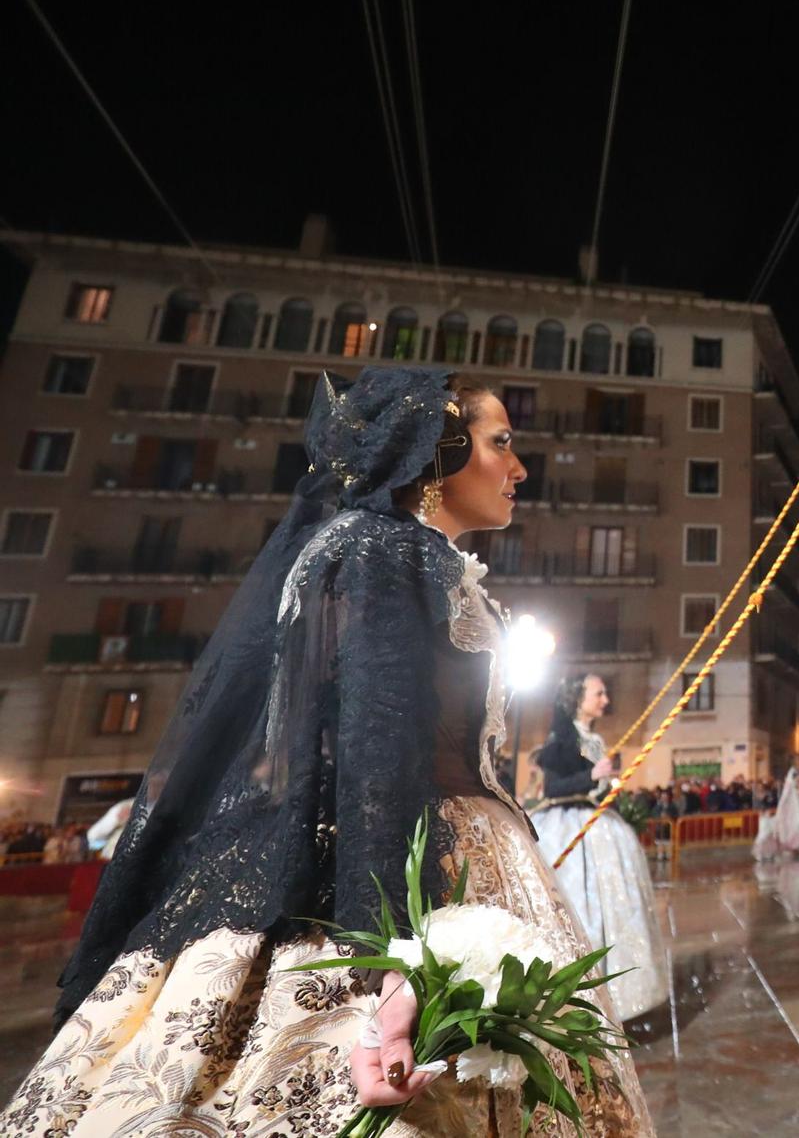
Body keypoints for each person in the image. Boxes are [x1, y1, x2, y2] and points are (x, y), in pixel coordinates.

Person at [4, 368, 650, 1134]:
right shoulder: (385, 551)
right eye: (500, 443)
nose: (519, 468)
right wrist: (394, 964)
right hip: (415, 862)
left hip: (468, 848)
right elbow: (375, 755)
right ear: (437, 450)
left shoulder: (409, 556)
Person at [532, 673, 670, 1035]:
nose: (606, 700)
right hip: (569, 827)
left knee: (614, 908)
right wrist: (592, 775)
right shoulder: (561, 738)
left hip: (600, 827)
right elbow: (553, 786)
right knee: (580, 907)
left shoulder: (594, 738)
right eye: (599, 693)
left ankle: (616, 997)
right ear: (578, 698)